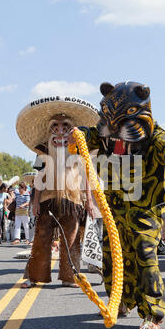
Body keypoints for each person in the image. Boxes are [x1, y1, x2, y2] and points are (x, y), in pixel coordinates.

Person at [69, 81, 165, 329]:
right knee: (112, 255)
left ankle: (153, 312)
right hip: (115, 205)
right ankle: (121, 301)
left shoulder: (154, 134)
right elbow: (88, 136)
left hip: (146, 207)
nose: (115, 127)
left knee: (144, 255)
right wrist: (78, 133)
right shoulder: (105, 131)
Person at [16, 97, 98, 289]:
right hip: (47, 199)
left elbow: (87, 176)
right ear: (50, 129)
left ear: (71, 129)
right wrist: (35, 201)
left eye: (64, 126)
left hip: (74, 200)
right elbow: (38, 177)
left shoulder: (79, 149)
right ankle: (33, 276)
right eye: (56, 126)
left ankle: (70, 277)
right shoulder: (43, 150)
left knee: (71, 240)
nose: (60, 130)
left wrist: (90, 201)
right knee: (41, 239)